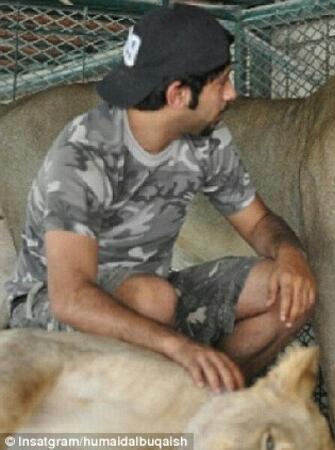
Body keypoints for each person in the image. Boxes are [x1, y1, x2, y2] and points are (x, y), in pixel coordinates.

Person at [5, 4, 316, 393]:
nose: (232, 93)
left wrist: (291, 255)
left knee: (288, 290)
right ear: (177, 94)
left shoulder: (206, 140)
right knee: (152, 299)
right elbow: (70, 296)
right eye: (221, 82)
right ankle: (158, 411)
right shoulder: (85, 153)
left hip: (154, 293)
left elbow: (258, 223)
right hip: (52, 314)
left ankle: (199, 404)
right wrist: (179, 347)